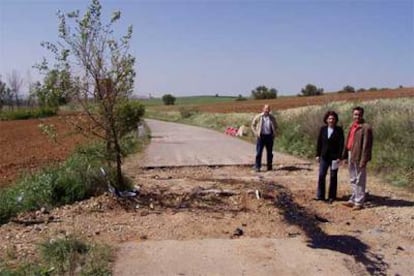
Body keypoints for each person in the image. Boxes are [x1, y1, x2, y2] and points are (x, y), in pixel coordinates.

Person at [342, 106, 373, 210]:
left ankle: (359, 202)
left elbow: (367, 146)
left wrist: (364, 159)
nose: (357, 116)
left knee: (360, 179)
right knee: (353, 178)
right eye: (355, 114)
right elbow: (348, 141)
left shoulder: (366, 128)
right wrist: (345, 155)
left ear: (362, 115)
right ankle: (354, 198)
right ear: (352, 115)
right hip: (351, 153)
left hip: (359, 156)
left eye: (359, 114)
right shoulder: (352, 126)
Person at [315, 111, 344, 203]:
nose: (331, 120)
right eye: (329, 118)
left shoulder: (339, 130)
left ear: (335, 120)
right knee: (321, 175)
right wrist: (317, 154)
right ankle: (320, 196)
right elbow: (319, 143)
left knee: (333, 176)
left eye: (333, 119)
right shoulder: (323, 129)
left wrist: (340, 156)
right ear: (326, 120)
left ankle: (332, 196)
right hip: (324, 156)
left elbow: (341, 144)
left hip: (334, 157)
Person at [251, 104, 278, 172]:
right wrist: (256, 133)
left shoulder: (272, 117)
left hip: (269, 136)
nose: (267, 110)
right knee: (259, 152)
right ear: (263, 109)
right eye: (266, 109)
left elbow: (276, 125)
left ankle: (269, 166)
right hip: (261, 136)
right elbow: (253, 125)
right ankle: (257, 166)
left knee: (270, 153)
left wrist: (274, 132)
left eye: (268, 109)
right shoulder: (259, 116)